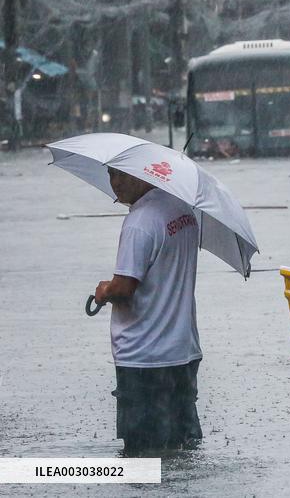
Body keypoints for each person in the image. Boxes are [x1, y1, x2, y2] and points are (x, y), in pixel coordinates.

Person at [92, 168, 203, 455]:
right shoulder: (183, 213)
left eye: (122, 176)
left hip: (144, 358)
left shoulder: (139, 222)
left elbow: (124, 288)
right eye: (111, 175)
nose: (115, 183)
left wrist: (105, 290)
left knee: (141, 456)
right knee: (180, 449)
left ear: (144, 176)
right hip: (182, 352)